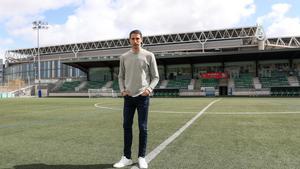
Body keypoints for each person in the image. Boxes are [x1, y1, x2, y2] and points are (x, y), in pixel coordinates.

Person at [113, 30, 159, 169]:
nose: (135, 41)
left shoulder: (149, 55)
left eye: (137, 38)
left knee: (143, 128)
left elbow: (155, 77)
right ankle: (126, 157)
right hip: (128, 97)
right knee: (126, 126)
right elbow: (120, 76)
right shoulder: (124, 57)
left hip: (142, 97)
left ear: (141, 40)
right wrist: (122, 90)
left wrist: (149, 89)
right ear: (129, 40)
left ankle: (141, 157)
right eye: (132, 39)